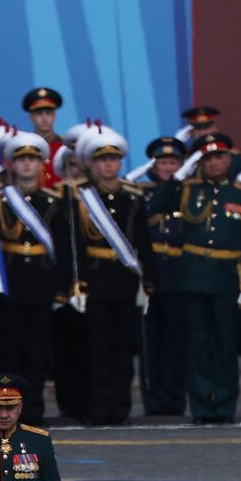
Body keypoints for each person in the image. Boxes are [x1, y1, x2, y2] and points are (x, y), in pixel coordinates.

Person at [148, 132, 241, 423]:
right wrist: (178, 176)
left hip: (227, 277)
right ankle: (200, 405)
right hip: (194, 275)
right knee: (197, 345)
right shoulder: (187, 188)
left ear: (228, 159)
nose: (214, 163)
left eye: (219, 157)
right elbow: (156, 204)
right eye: (207, 158)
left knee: (225, 344)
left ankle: (224, 404)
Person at [71, 126, 154, 425]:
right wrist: (75, 283)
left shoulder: (133, 197)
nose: (108, 165)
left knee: (122, 348)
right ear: (92, 164)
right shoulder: (81, 196)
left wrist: (150, 278)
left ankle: (120, 407)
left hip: (123, 278)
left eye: (113, 160)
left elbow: (143, 240)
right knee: (96, 348)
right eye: (102, 160)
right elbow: (76, 243)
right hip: (94, 279)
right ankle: (98, 406)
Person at [0, 132, 68, 424]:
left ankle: (35, 408)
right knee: (10, 350)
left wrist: (62, 287)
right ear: (12, 164)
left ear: (42, 165)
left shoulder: (53, 201)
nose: (27, 165)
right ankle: (9, 408)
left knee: (38, 351)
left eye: (32, 160)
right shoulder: (0, 201)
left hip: (41, 281)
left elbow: (63, 246)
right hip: (11, 281)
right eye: (21, 159)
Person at [137, 135, 189, 417]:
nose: (168, 167)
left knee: (177, 341)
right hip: (153, 272)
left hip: (180, 273)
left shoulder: (189, 193)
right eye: (163, 162)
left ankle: (175, 397)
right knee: (151, 343)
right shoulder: (143, 194)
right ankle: (154, 398)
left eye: (173, 162)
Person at [22, 87, 65, 187]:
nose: (44, 118)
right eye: (39, 114)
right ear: (31, 117)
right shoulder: (25, 146)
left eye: (48, 113)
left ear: (54, 116)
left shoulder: (64, 146)